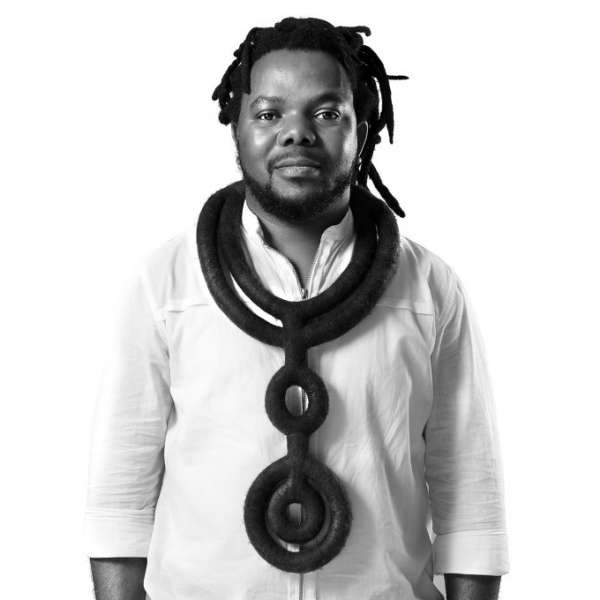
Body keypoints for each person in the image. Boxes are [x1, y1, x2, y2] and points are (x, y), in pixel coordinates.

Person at [84, 17, 509, 600]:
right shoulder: (165, 283)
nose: (296, 133)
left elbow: (470, 495)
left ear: (362, 130)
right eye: (268, 113)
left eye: (327, 112)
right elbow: (121, 497)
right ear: (236, 127)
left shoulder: (429, 288)